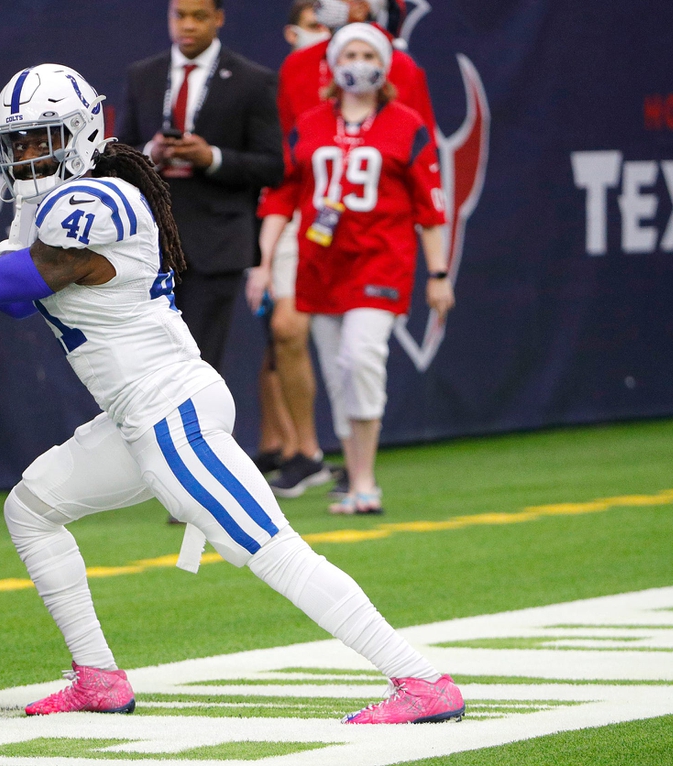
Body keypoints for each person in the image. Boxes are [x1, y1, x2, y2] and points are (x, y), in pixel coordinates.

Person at [0, 63, 463, 725]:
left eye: (41, 137)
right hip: (138, 417)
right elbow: (13, 297)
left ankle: (419, 680)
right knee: (31, 508)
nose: (27, 154)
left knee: (273, 548)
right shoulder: (47, 204)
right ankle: (97, 677)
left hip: (171, 414)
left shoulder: (98, 202)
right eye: (16, 142)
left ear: (81, 132)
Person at [257, 25, 454, 515]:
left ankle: (365, 480)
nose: (359, 61)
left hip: (381, 261)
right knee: (337, 370)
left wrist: (439, 273)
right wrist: (263, 262)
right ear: (333, 62)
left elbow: (430, 208)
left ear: (385, 64)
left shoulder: (406, 125)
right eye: (351, 52)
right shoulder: (311, 122)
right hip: (320, 264)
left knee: (360, 357)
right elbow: (284, 194)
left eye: (369, 53)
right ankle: (355, 475)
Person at [117, 0, 283, 372]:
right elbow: (117, 154)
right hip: (151, 246)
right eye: (180, 15)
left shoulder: (253, 81)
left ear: (219, 19)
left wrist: (212, 158)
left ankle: (202, 432)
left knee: (200, 365)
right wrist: (150, 153)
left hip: (217, 244)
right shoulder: (142, 75)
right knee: (149, 365)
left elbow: (272, 166)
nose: (187, 25)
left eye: (199, 16)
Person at [250, 0, 331, 478]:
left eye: (327, 25)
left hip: (341, 221)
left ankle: (312, 451)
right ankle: (292, 447)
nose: (321, 34)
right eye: (311, 25)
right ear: (290, 33)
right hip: (283, 216)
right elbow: (278, 162)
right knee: (280, 332)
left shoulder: (359, 79)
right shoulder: (280, 84)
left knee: (336, 344)